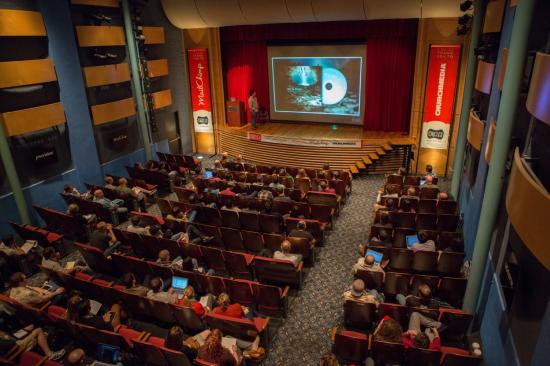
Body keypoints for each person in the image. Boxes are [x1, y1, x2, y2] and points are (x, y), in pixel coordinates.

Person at [0, 327, 65, 360]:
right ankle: (51, 355)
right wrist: (32, 334)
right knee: (38, 330)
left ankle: (44, 340)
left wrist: (23, 331)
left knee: (30, 327)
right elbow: (17, 345)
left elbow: (10, 337)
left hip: (16, 341)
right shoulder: (3, 343)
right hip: (19, 348)